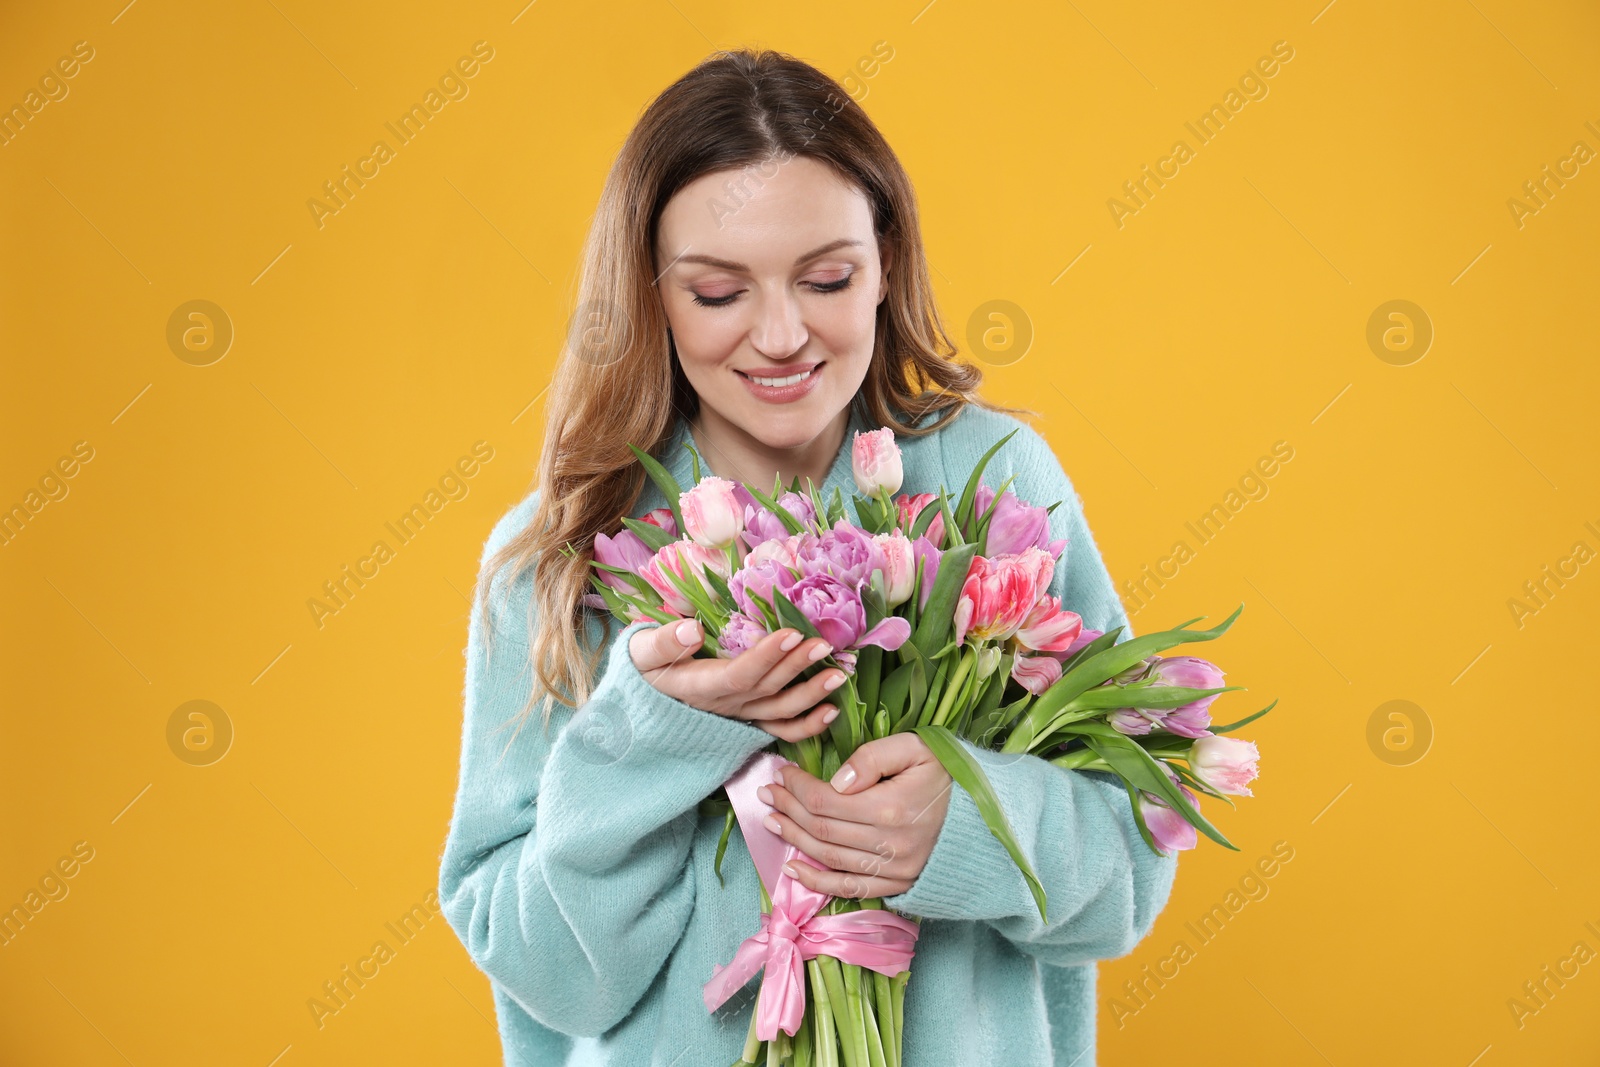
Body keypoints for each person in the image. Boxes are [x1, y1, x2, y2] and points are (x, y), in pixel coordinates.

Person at [438, 47, 1177, 1066]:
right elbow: (554, 976)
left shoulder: (995, 481)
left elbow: (1132, 862)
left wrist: (969, 823)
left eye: (827, 278)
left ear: (884, 265)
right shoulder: (557, 560)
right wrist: (651, 734)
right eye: (716, 293)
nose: (781, 335)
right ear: (650, 294)